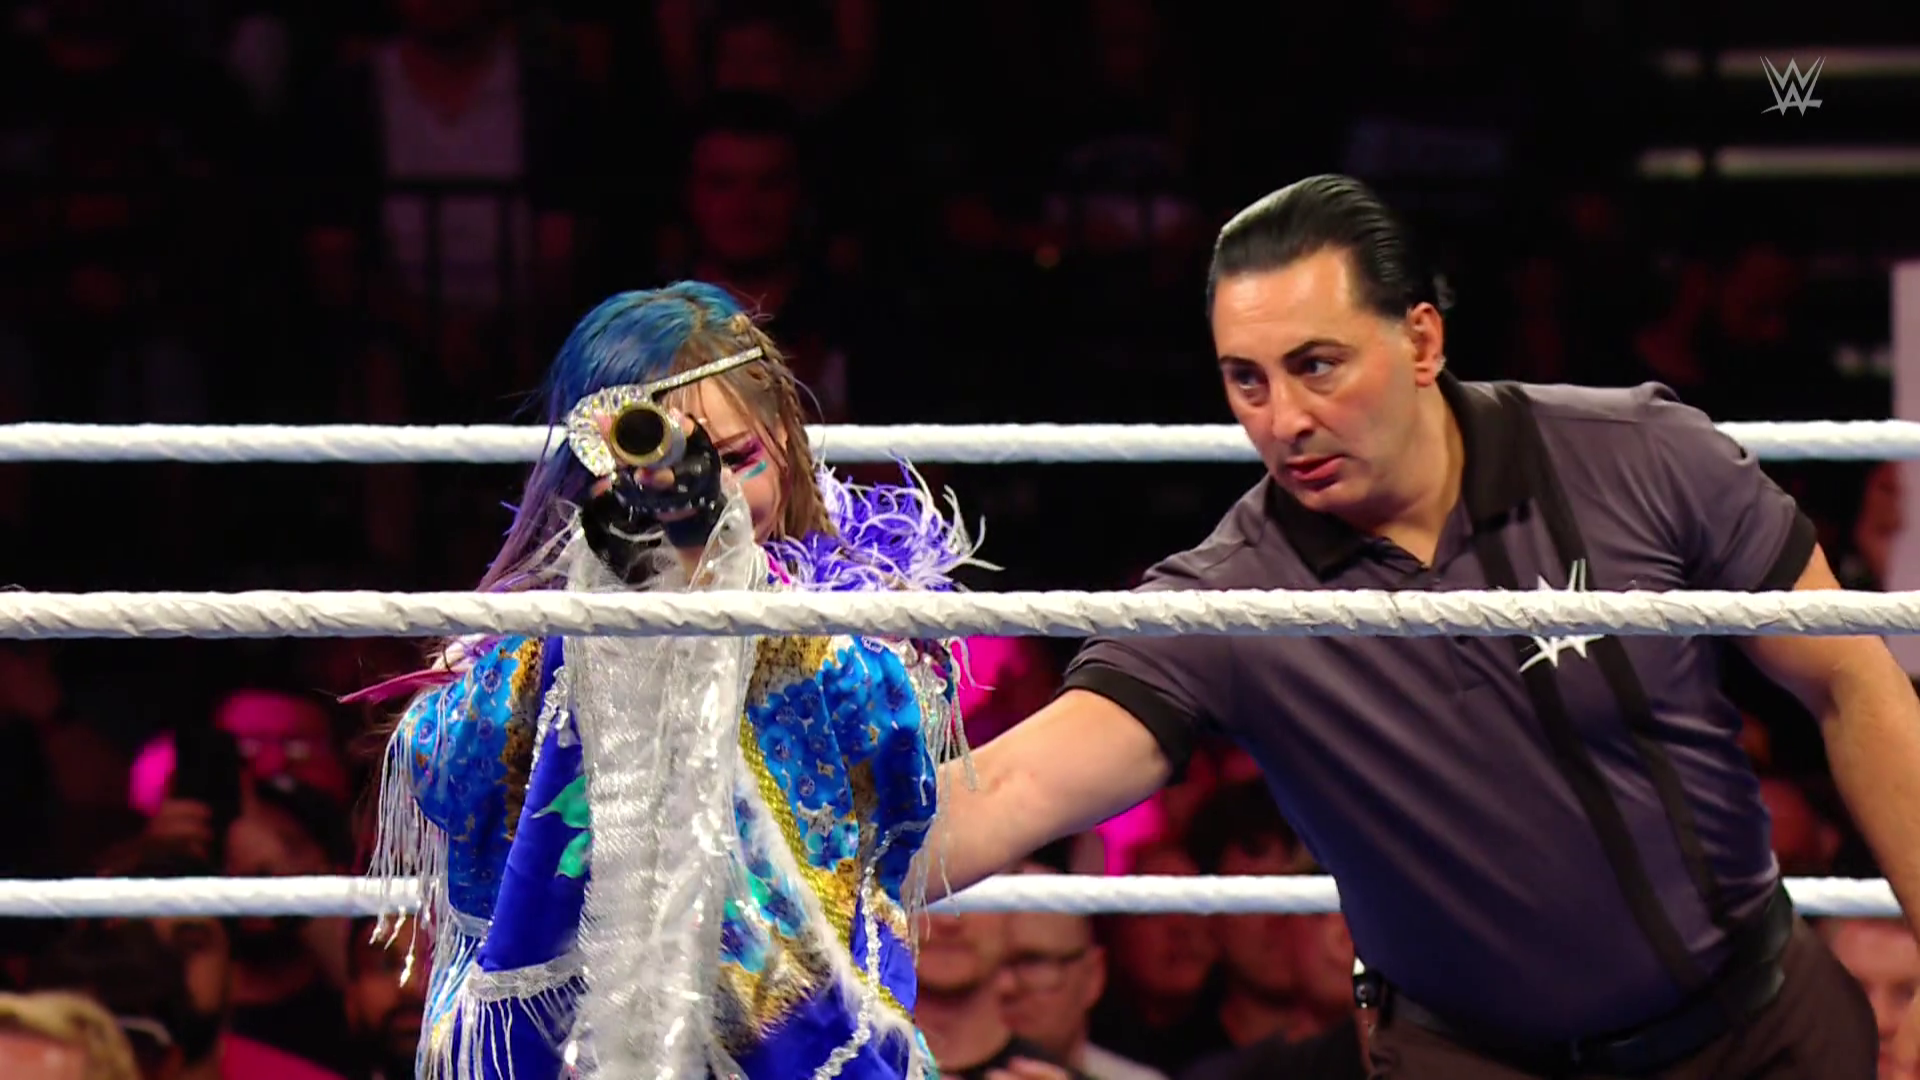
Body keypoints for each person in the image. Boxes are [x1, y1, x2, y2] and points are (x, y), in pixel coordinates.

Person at [923, 175, 1920, 1078]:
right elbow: (1012, 786)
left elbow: (1851, 680)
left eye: (1317, 365)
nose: (1284, 419)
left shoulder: (1636, 457)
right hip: (1474, 1061)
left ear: (1422, 343)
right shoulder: (1234, 597)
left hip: (1762, 1035)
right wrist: (827, 850)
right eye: (1248, 379)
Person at [359, 283, 988, 1079]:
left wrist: (728, 584)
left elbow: (884, 751)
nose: (710, 492)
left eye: (735, 460)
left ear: (784, 441)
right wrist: (608, 616)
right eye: (666, 467)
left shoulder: (869, 615)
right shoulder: (527, 639)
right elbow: (443, 763)